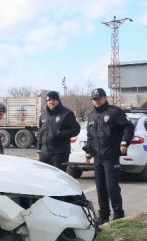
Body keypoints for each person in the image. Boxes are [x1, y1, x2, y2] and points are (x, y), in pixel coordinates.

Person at [83, 88, 134, 224]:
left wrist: (124, 142)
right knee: (100, 188)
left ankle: (118, 214)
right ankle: (104, 215)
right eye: (94, 99)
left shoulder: (114, 112)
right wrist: (89, 152)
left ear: (105, 98)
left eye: (99, 98)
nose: (97, 100)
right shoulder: (91, 116)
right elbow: (90, 137)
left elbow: (128, 127)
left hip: (111, 156)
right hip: (98, 158)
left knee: (112, 187)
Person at [36, 91, 80, 171]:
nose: (51, 102)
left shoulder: (67, 113)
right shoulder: (43, 115)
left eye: (53, 100)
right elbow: (40, 133)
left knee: (58, 179)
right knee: (44, 178)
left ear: (58, 100)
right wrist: (39, 150)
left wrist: (60, 134)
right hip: (44, 153)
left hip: (60, 153)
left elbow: (76, 130)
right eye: (49, 100)